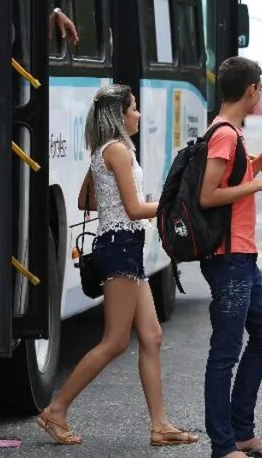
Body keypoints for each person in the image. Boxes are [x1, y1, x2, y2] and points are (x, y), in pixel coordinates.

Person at [37, 84, 198, 448]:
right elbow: (136, 209)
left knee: (152, 337)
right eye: (135, 108)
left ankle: (160, 425)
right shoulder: (119, 152)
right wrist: (175, 205)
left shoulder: (104, 151)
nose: (139, 114)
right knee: (114, 341)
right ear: (120, 115)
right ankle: (56, 410)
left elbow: (84, 200)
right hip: (121, 247)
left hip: (121, 245)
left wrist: (103, 179)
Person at [198, 56, 262, 457]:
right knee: (225, 350)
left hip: (243, 254)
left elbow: (227, 181)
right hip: (228, 256)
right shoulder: (224, 134)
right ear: (252, 90)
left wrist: (255, 166)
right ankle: (223, 445)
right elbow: (208, 196)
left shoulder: (232, 134)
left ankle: (242, 432)